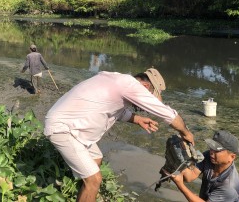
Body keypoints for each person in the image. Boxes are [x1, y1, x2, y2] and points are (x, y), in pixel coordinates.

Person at [44, 68, 194, 202]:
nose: (143, 107)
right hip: (64, 128)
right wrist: (186, 132)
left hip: (76, 127)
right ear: (145, 87)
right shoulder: (131, 86)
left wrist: (138, 119)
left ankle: (86, 193)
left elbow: (116, 108)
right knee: (94, 179)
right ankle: (89, 189)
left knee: (96, 158)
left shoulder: (117, 80)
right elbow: (167, 114)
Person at [168, 130, 239, 202]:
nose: (212, 152)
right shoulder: (209, 157)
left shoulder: (229, 187)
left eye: (217, 150)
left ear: (232, 157)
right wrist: (181, 160)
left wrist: (180, 184)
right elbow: (190, 176)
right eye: (211, 147)